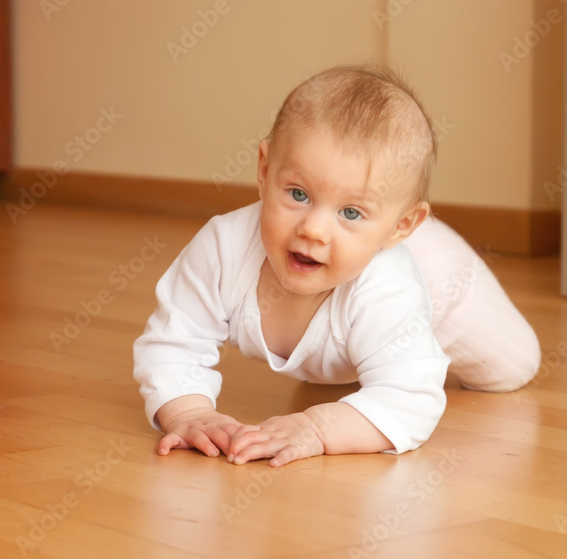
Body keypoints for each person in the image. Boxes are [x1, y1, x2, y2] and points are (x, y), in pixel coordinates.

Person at [133, 64, 540, 467]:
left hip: (437, 275)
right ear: (264, 169)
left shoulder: (388, 287)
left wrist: (317, 427)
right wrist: (188, 412)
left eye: (350, 211)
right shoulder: (223, 248)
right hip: (363, 283)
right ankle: (368, 337)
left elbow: (410, 398)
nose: (313, 230)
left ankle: (406, 336)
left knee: (512, 367)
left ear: (402, 226)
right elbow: (175, 341)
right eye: (298, 193)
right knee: (350, 359)